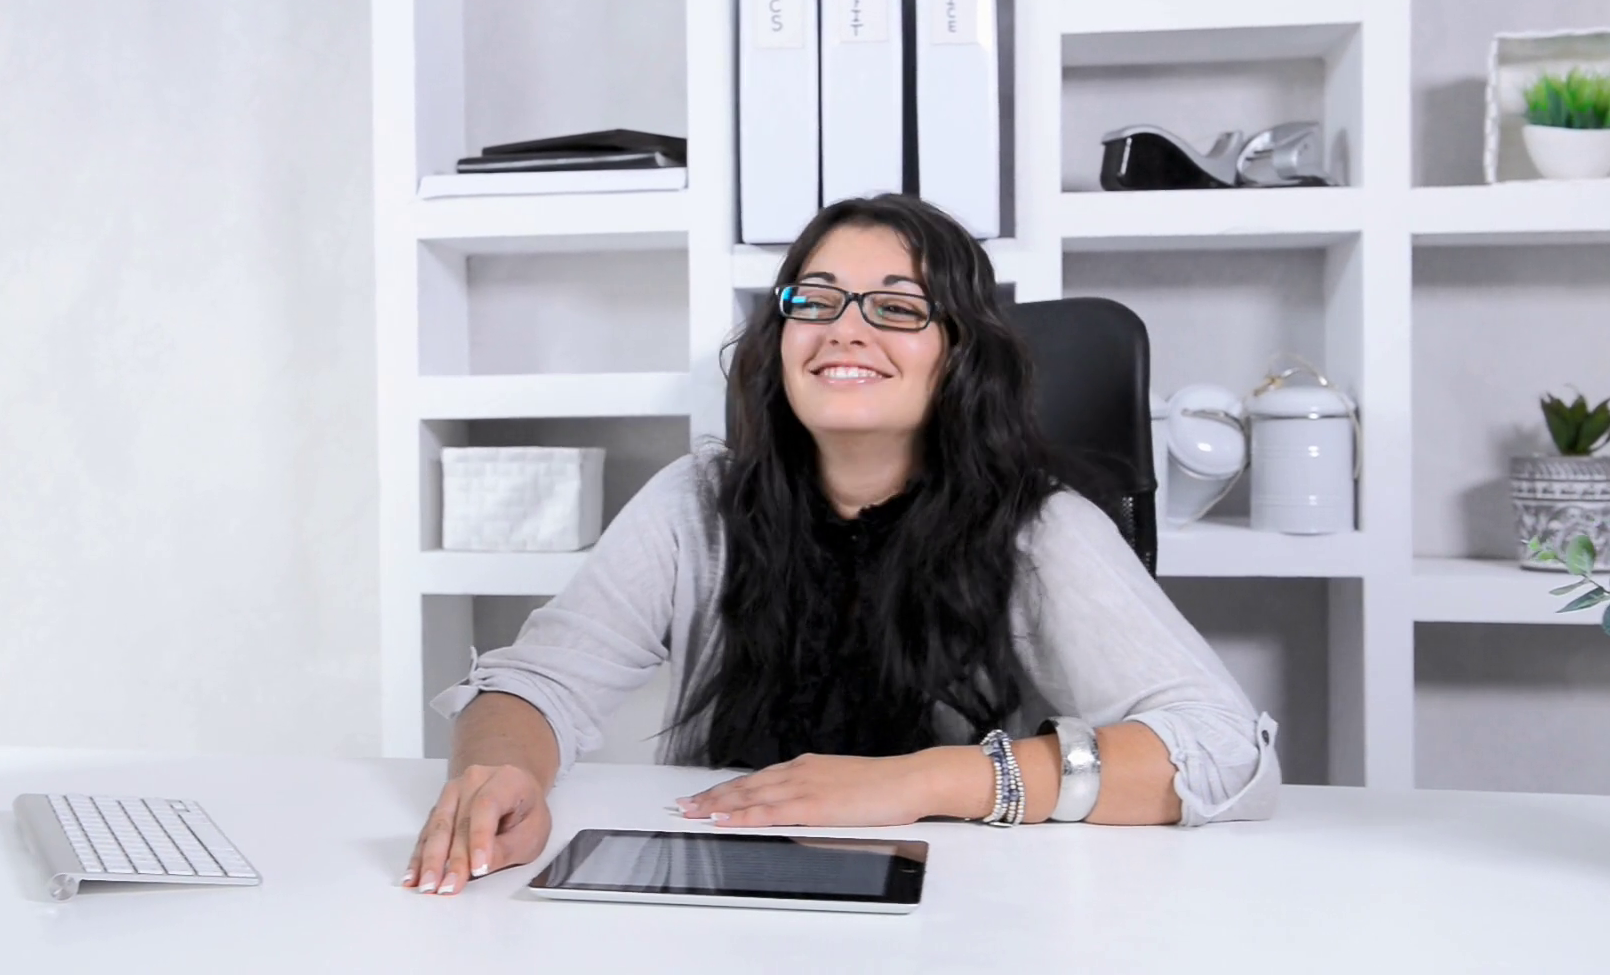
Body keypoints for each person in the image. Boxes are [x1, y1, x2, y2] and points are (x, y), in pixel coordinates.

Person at [403, 193, 1279, 896]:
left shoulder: (1039, 528)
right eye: (814, 301)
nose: (844, 330)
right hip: (722, 889)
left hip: (975, 908)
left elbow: (1227, 750)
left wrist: (923, 780)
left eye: (896, 307)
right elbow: (538, 681)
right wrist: (500, 775)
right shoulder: (695, 503)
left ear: (960, 354)